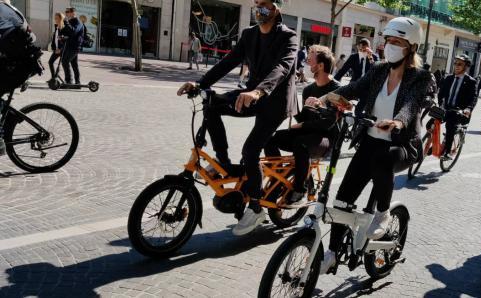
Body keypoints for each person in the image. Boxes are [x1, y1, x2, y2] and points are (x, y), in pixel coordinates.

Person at [313, 17, 432, 274]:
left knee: (383, 159)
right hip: (369, 140)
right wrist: (324, 98)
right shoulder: (378, 69)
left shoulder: (420, 77)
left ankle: (383, 213)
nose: (390, 46)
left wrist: (398, 123)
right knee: (342, 200)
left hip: (401, 146)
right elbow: (355, 88)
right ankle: (333, 253)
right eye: (388, 40)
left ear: (411, 47)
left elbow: (411, 105)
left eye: (397, 42)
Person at [176, 0, 298, 236]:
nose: (259, 9)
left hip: (274, 102)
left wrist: (259, 90)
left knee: (250, 151)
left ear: (276, 8)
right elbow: (229, 61)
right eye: (257, 4)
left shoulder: (288, 36)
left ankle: (255, 206)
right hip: (251, 94)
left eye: (265, 5)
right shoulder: (249, 34)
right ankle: (224, 163)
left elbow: (283, 67)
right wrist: (200, 83)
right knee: (212, 104)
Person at [264, 45, 340, 206]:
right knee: (270, 138)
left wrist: (303, 124)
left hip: (326, 138)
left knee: (301, 143)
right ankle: (278, 179)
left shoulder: (337, 89)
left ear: (320, 66)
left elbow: (329, 122)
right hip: (308, 132)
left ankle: (300, 189)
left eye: (309, 60)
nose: (305, 63)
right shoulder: (308, 89)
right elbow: (303, 118)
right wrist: (289, 107)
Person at [437, 54, 477, 160]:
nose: (456, 66)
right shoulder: (448, 78)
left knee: (450, 126)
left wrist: (468, 109)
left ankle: (447, 152)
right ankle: (429, 143)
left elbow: (473, 98)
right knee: (431, 123)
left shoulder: (471, 81)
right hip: (446, 108)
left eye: (460, 64)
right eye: (455, 63)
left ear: (466, 67)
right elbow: (441, 94)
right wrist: (440, 103)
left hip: (459, 111)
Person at [59, 7, 84, 88]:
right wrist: (62, 35)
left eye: (68, 12)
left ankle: (68, 81)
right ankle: (78, 83)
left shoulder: (78, 22)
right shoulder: (69, 22)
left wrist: (66, 22)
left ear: (73, 13)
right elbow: (65, 31)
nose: (66, 13)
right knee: (74, 64)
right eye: (65, 12)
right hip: (69, 45)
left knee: (65, 61)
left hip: (75, 46)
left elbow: (73, 31)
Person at [48, 12, 65, 81]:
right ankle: (54, 78)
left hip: (61, 50)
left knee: (62, 64)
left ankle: (57, 78)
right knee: (50, 62)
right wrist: (54, 47)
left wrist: (60, 49)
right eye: (55, 18)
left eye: (57, 18)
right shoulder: (56, 27)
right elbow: (55, 38)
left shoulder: (63, 28)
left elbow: (65, 40)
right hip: (56, 49)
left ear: (61, 19)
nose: (55, 19)